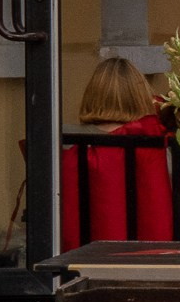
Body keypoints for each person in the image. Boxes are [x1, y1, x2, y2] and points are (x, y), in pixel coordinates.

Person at [60, 55, 174, 250]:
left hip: (82, 256)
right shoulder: (153, 141)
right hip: (146, 254)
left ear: (91, 95)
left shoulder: (64, 140)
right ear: (140, 96)